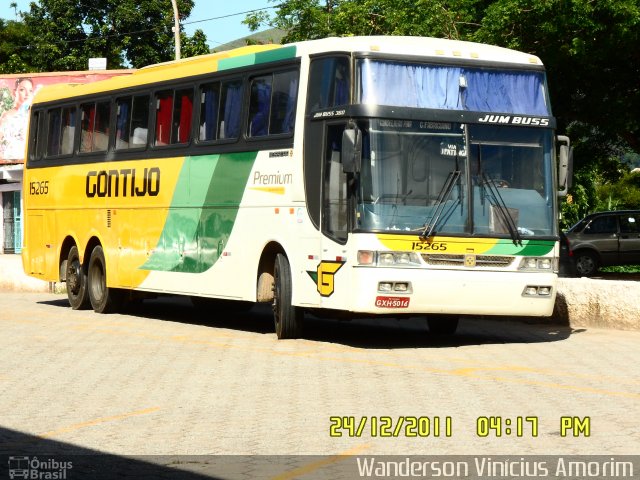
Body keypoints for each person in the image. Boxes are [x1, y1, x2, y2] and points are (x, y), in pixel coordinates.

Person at [0, 78, 34, 160]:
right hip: (10, 160)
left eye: (30, 90)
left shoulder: (33, 114)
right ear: (14, 92)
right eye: (22, 90)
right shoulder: (7, 116)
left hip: (29, 161)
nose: (27, 94)